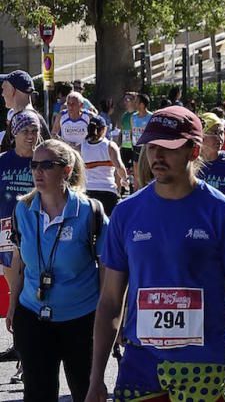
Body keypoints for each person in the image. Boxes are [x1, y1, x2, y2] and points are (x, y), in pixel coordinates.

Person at [87, 106, 225, 402]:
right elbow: (111, 300)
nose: (157, 156)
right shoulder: (126, 213)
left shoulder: (224, 213)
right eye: (152, 147)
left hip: (204, 370)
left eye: (168, 147)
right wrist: (96, 379)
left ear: (194, 151)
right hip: (140, 370)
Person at [6, 139, 107, 402]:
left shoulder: (89, 211)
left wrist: (110, 318)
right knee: (38, 394)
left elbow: (107, 270)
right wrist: (13, 303)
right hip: (33, 316)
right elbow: (19, 260)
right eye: (34, 165)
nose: (38, 172)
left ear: (66, 169)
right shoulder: (22, 209)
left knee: (85, 392)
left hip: (82, 319)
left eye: (47, 165)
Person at [0, 112, 42, 366]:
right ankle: (20, 344)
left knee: (32, 285)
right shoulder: (3, 161)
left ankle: (31, 343)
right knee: (12, 282)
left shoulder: (44, 160)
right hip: (5, 230)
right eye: (25, 130)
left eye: (34, 130)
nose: (30, 135)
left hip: (37, 230)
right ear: (14, 133)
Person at [82, 116, 128, 215]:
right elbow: (119, 167)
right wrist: (124, 180)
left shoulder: (81, 147)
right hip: (108, 191)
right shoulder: (110, 146)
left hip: (88, 192)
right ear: (104, 129)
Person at [1, 70, 51, 153]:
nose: (2, 94)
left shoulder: (24, 120)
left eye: (4, 88)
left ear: (12, 90)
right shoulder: (35, 118)